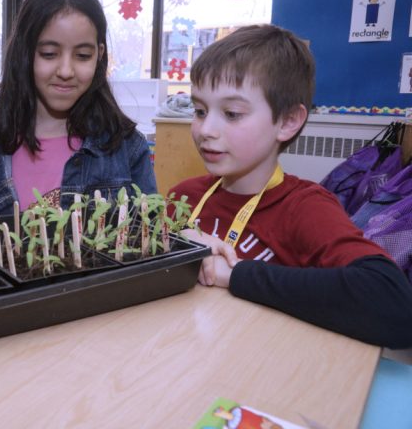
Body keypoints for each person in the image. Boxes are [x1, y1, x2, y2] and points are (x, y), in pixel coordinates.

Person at [170, 24, 412, 349]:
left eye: (232, 113)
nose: (206, 129)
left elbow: (394, 306)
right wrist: (175, 244)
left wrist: (236, 274)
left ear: (287, 122)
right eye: (199, 110)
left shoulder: (306, 208)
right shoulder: (184, 196)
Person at [0, 0, 156, 218]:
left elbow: (152, 235)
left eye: (82, 56)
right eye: (49, 54)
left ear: (99, 55)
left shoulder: (128, 148)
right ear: (25, 52)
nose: (65, 70)